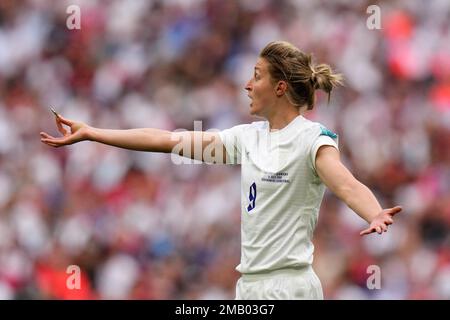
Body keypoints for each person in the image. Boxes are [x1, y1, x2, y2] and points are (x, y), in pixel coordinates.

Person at [40, 41, 402, 300]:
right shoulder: (246, 138)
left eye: (256, 76)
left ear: (279, 88)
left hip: (289, 287)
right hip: (249, 286)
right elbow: (167, 140)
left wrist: (374, 212)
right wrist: (93, 133)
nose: (247, 84)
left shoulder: (312, 139)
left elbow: (346, 182)